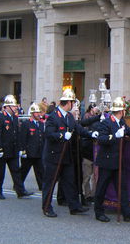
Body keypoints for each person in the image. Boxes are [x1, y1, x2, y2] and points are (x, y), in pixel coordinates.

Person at [42, 89, 99, 217]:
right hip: (54, 155)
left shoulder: (68, 116)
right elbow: (49, 134)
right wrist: (62, 135)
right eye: (73, 102)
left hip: (65, 156)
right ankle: (46, 207)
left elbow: (78, 129)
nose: (73, 105)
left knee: (69, 182)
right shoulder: (53, 117)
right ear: (68, 103)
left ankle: (74, 206)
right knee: (50, 183)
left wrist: (90, 134)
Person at [0, 95, 33, 199]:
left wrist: (20, 148)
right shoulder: (0, 117)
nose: (16, 108)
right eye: (13, 106)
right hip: (2, 149)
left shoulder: (15, 118)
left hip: (13, 149)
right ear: (7, 107)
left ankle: (20, 191)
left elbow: (17, 134)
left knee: (16, 171)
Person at [19, 103, 45, 191]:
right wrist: (23, 150)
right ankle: (18, 185)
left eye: (39, 112)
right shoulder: (26, 124)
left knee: (40, 171)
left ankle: (42, 186)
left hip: (38, 152)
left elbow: (42, 137)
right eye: (37, 113)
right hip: (29, 152)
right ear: (32, 114)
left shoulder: (41, 124)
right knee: (24, 170)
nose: (39, 114)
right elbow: (22, 138)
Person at [80, 104, 101, 204]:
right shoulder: (87, 120)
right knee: (87, 176)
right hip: (88, 152)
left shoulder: (97, 121)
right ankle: (87, 195)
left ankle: (91, 194)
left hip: (93, 153)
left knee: (93, 177)